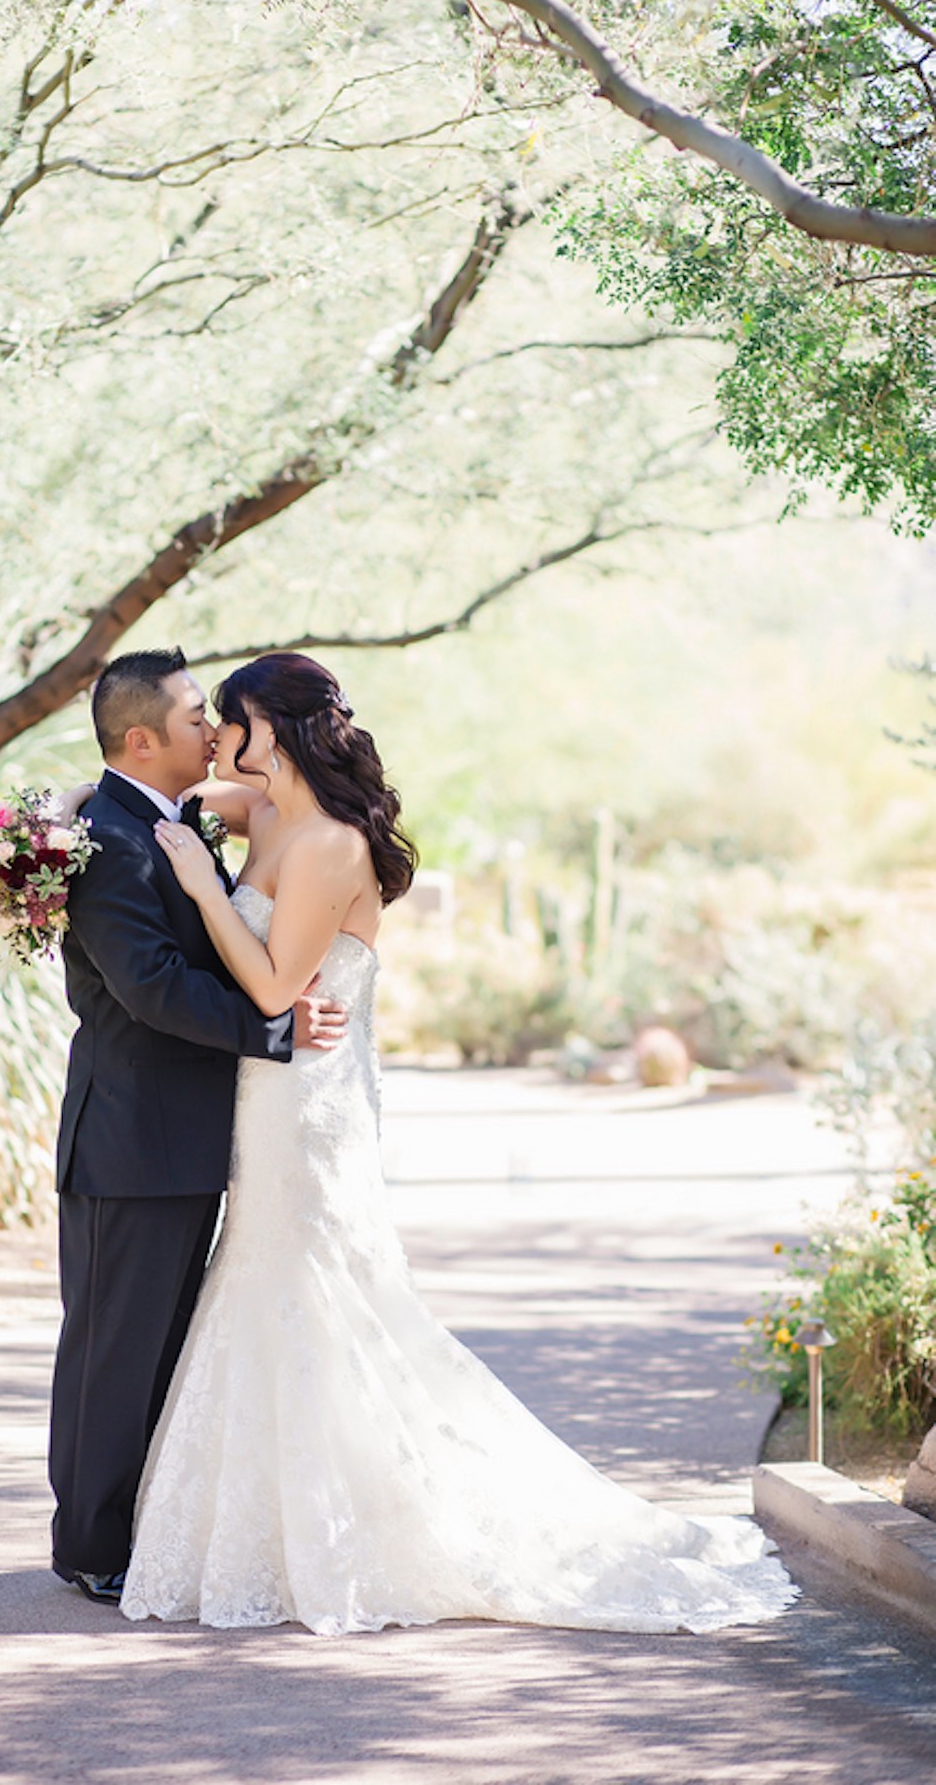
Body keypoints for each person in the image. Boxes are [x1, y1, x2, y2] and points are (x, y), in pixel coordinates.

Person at [119, 650, 798, 1635]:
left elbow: (272, 989)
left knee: (317, 1287)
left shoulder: (332, 847)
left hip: (310, 1106)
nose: (219, 734)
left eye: (233, 717)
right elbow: (167, 799)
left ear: (277, 725)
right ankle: (263, 1528)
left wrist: (197, 883)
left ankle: (362, 1532)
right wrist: (63, 827)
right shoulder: (265, 814)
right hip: (261, 1099)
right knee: (263, 1283)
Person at [49, 648, 346, 1603]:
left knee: (165, 1350)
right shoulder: (110, 840)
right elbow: (151, 990)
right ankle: (91, 1547)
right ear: (142, 739)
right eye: (192, 718)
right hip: (128, 1143)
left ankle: (141, 1531)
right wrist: (275, 1024)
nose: (211, 732)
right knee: (113, 1352)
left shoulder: (165, 822)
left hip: (189, 1140)